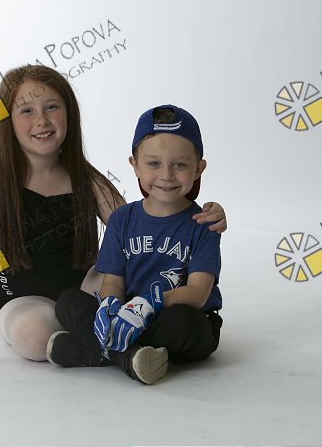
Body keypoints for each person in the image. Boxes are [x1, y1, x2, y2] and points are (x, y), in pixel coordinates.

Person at [0, 66, 227, 362]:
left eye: (52, 107)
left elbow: (142, 225)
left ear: (69, 113)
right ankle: (127, 351)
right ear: (7, 119)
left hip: (82, 291)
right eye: (26, 110)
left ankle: (109, 343)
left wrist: (205, 215)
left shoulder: (84, 176)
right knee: (35, 337)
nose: (41, 120)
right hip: (20, 297)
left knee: (120, 290)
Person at [47, 104, 222, 384]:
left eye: (180, 164)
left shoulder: (204, 224)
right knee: (68, 301)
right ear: (135, 165)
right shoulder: (122, 220)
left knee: (184, 322)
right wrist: (109, 305)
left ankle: (96, 352)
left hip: (177, 318)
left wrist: (151, 302)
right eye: (153, 164)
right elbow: (113, 282)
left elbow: (198, 293)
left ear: (198, 169)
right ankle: (133, 358)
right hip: (129, 315)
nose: (166, 175)